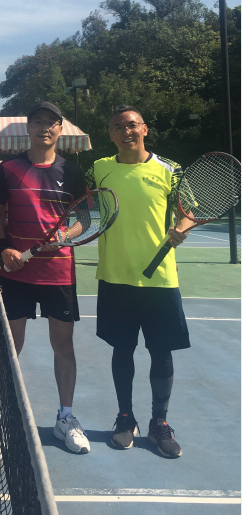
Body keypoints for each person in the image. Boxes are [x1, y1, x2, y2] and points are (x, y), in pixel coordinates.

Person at [86, 104, 191, 458]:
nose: (126, 131)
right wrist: (66, 235)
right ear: (111, 134)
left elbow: (188, 210)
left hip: (159, 279)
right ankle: (125, 418)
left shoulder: (170, 170)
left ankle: (159, 422)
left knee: (161, 352)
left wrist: (181, 228)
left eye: (132, 125)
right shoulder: (99, 169)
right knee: (122, 350)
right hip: (115, 277)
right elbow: (86, 211)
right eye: (118, 127)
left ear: (144, 129)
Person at [0, 101, 90, 454]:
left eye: (51, 122)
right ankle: (0, 415)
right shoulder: (8, 169)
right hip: (17, 273)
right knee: (10, 347)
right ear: (28, 127)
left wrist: (65, 236)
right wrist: (5, 248)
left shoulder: (72, 172)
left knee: (63, 346)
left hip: (58, 273)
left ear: (60, 129)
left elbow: (84, 219)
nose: (44, 127)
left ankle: (66, 417)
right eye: (37, 122)